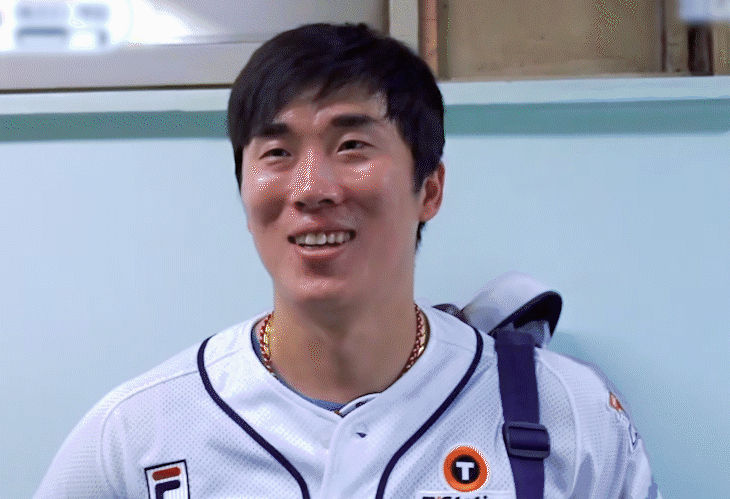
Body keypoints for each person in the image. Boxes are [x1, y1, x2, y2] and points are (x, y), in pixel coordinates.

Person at [33, 23, 661, 499]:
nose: (311, 188)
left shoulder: (567, 412)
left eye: (353, 144)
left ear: (430, 189)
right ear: (245, 193)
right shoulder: (139, 434)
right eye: (276, 153)